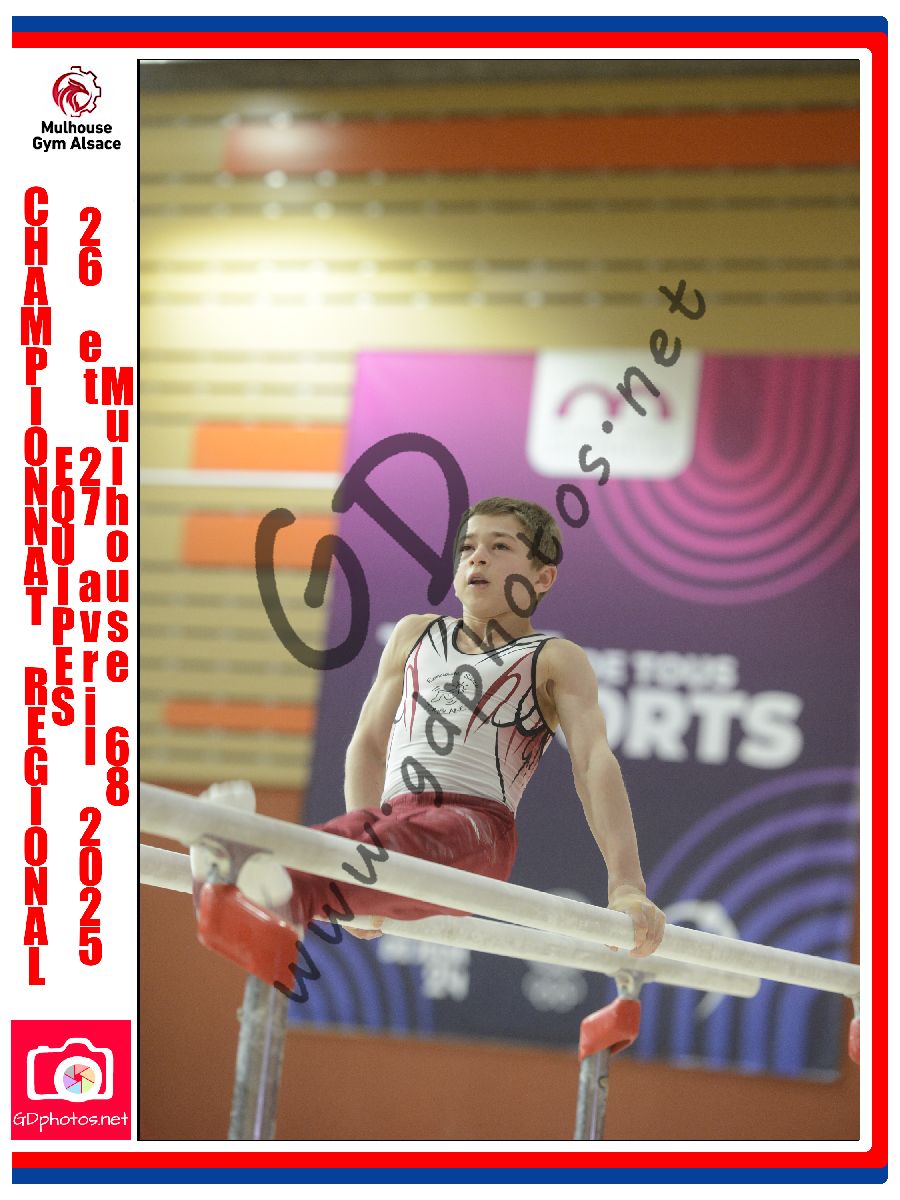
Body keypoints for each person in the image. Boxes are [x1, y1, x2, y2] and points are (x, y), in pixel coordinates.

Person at [196, 496, 665, 992]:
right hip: (393, 822)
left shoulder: (553, 658)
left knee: (399, 840)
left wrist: (626, 885)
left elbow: (593, 765)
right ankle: (254, 892)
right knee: (356, 836)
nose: (477, 557)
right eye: (467, 547)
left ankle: (258, 878)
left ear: (542, 578)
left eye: (499, 546)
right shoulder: (414, 634)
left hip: (476, 834)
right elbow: (368, 744)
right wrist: (360, 874)